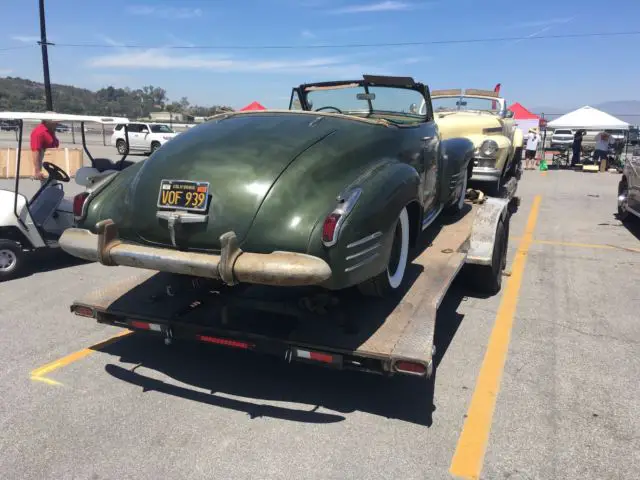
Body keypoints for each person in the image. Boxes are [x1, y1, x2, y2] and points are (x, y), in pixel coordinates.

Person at [30, 114, 60, 184]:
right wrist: (37, 171)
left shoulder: (50, 131)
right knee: (50, 190)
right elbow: (35, 151)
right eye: (55, 122)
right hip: (44, 168)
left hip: (51, 167)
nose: (57, 124)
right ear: (47, 122)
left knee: (54, 189)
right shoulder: (39, 132)